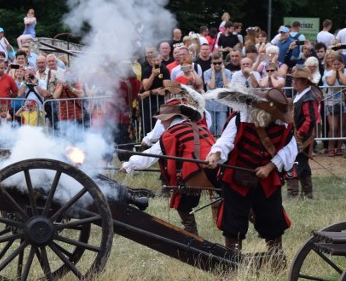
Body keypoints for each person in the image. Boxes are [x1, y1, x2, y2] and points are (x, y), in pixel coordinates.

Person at [205, 87, 296, 267]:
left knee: (272, 217)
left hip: (267, 178)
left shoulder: (284, 126)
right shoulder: (240, 119)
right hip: (237, 177)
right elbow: (225, 141)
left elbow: (289, 151)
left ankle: (276, 259)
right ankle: (232, 261)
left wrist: (270, 167)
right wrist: (214, 155)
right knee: (233, 219)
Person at [121, 98, 216, 235]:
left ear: (170, 119)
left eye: (162, 120)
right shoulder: (198, 125)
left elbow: (150, 156)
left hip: (197, 169)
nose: (161, 123)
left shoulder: (171, 133)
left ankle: (191, 233)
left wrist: (129, 165)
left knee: (181, 200)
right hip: (218, 165)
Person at [288, 67, 320, 198]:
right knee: (303, 164)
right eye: (294, 79)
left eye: (297, 80)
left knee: (293, 163)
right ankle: (308, 193)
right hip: (298, 136)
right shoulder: (301, 95)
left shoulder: (308, 98)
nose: (294, 82)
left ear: (305, 82)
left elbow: (311, 119)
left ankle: (293, 193)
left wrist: (300, 134)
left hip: (302, 137)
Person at [323, 55, 346, 157]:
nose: (336, 66)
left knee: (342, 127)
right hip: (331, 102)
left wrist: (340, 72)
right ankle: (331, 148)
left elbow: (345, 82)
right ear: (332, 65)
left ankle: (339, 148)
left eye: (338, 64)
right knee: (333, 127)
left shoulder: (345, 72)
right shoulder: (328, 73)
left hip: (342, 102)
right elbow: (331, 83)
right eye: (335, 64)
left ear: (342, 64)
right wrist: (336, 72)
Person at [203, 52, 231, 136]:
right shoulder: (207, 72)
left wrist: (222, 71)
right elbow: (212, 86)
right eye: (215, 63)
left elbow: (226, 85)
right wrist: (213, 72)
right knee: (210, 129)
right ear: (211, 63)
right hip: (210, 103)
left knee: (221, 129)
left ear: (222, 63)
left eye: (219, 63)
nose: (217, 65)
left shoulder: (227, 72)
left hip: (222, 103)